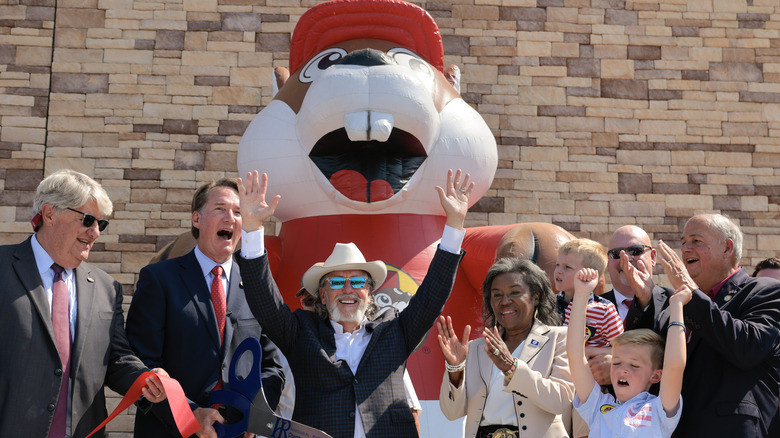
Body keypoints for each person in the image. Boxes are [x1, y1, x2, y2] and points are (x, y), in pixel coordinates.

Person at [235, 169, 470, 438]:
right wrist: (252, 228)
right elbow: (263, 300)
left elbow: (433, 294)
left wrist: (454, 224)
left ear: (370, 292)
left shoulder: (394, 331)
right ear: (322, 296)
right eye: (336, 283)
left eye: (358, 282)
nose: (348, 289)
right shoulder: (301, 333)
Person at [0, 169, 168, 438]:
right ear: (49, 213)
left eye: (101, 224)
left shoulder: (106, 288)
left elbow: (116, 359)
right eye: (88, 220)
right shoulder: (3, 268)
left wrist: (145, 380)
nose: (95, 233)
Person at [126, 178, 285, 438]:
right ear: (196, 219)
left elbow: (273, 367)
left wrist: (252, 416)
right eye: (220, 209)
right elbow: (141, 364)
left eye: (237, 212)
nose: (230, 218)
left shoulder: (258, 286)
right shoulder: (159, 279)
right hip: (171, 431)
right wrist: (190, 415)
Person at [645, 214, 780, 436]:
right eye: (683, 242)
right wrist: (643, 302)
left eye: (696, 241)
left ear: (727, 248)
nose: (686, 249)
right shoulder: (678, 306)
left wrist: (693, 294)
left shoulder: (766, 291)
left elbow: (747, 348)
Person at [438, 258, 576, 437]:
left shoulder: (559, 338)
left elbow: (561, 401)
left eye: (515, 292)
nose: (504, 301)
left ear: (536, 296)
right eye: (497, 295)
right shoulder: (476, 348)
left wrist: (512, 368)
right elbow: (451, 413)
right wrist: (455, 370)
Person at [568, 268, 686, 437]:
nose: (622, 369)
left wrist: (676, 307)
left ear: (656, 376)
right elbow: (575, 357)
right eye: (616, 362)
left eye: (634, 365)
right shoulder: (597, 406)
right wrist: (581, 294)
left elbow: (674, 366)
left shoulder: (659, 410)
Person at [590, 225, 675, 386]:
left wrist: (616, 367)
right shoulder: (590, 307)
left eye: (635, 251)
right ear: (608, 262)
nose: (626, 259)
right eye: (617, 254)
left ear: (653, 257)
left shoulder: (677, 303)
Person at [554, 239, 623, 355]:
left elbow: (623, 348)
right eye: (557, 265)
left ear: (591, 274)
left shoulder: (603, 310)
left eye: (567, 267)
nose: (558, 271)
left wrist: (588, 351)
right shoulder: (548, 304)